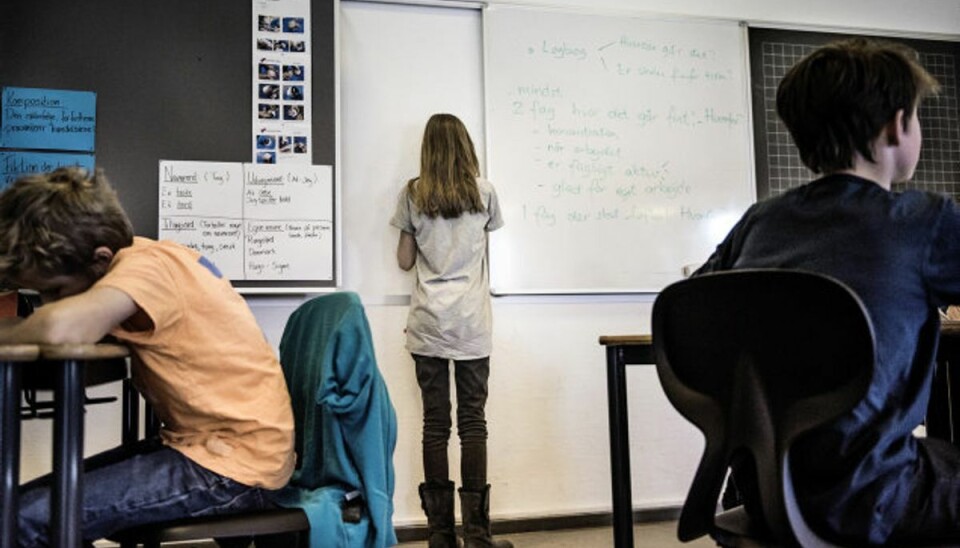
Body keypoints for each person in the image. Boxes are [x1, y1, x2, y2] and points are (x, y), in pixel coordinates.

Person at [692, 38, 960, 545]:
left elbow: (698, 304)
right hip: (877, 494)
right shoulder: (924, 221)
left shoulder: (759, 221)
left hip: (765, 492)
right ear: (897, 125)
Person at [0, 167, 295, 547]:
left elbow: (60, 329)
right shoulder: (148, 258)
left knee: (26, 518)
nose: (49, 304)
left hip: (231, 466)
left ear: (99, 260)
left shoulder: (146, 269)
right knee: (20, 507)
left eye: (55, 290)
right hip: (211, 448)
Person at [390, 113, 512, 548]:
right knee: (473, 424)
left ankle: (440, 536)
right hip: (472, 325)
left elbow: (405, 261)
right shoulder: (485, 192)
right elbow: (487, 250)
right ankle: (478, 534)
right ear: (465, 146)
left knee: (435, 425)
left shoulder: (414, 193)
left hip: (428, 325)